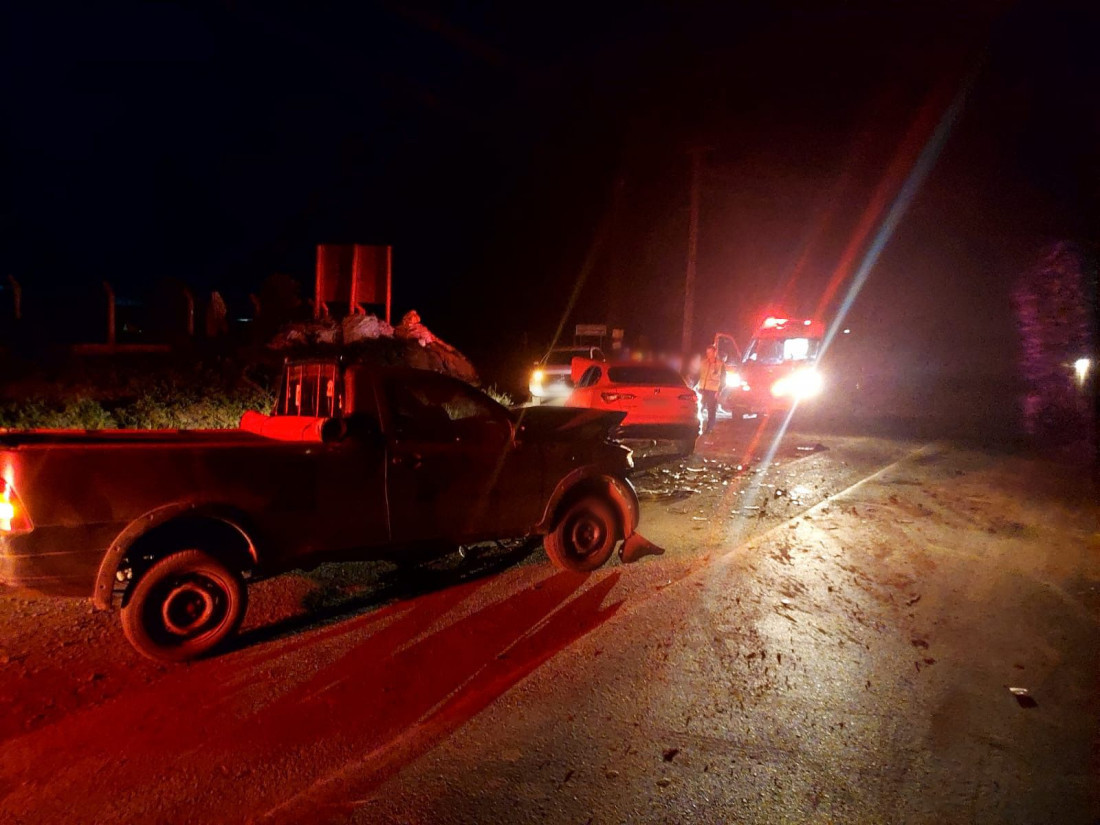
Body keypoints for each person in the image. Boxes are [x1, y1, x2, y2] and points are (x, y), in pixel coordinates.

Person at [697, 345, 725, 435]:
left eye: (710, 352)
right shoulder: (703, 363)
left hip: (713, 391)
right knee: (699, 408)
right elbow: (698, 375)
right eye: (707, 352)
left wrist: (719, 391)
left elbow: (723, 379)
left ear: (715, 353)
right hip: (702, 389)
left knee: (711, 410)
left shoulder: (720, 364)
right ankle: (697, 427)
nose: (708, 354)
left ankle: (709, 428)